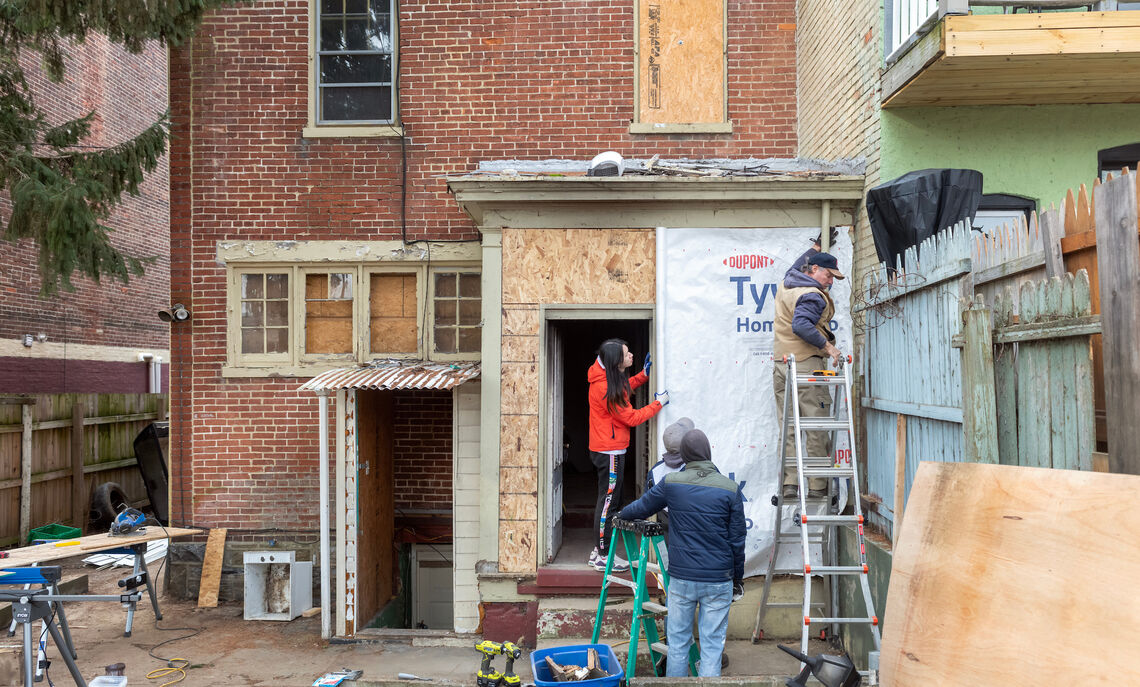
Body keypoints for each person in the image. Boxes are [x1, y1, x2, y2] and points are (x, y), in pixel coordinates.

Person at [618, 428, 745, 678]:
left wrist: (619, 514)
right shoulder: (730, 489)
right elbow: (737, 541)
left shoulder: (672, 483)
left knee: (677, 647)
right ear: (707, 453)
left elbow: (642, 507)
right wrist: (736, 579)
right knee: (711, 649)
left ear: (684, 455)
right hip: (719, 580)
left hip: (681, 580)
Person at [772, 238, 846, 500]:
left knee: (788, 426)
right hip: (806, 366)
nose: (830, 281)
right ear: (813, 270)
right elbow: (802, 326)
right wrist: (829, 349)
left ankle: (789, 484)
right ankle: (817, 486)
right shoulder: (812, 295)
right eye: (828, 274)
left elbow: (795, 266)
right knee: (816, 423)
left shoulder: (789, 282)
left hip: (782, 363)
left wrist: (815, 248)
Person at [587, 338, 668, 572]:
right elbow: (631, 417)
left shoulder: (607, 377)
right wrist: (658, 404)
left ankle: (598, 551)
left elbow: (623, 389)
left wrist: (642, 376)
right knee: (608, 505)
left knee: (611, 501)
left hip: (609, 448)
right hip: (609, 451)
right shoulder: (603, 388)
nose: (631, 355)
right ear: (615, 363)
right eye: (626, 354)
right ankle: (603, 555)